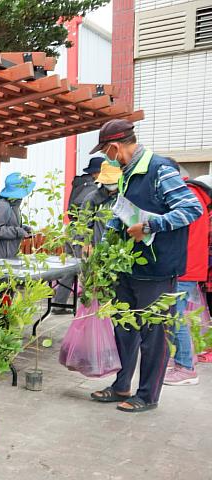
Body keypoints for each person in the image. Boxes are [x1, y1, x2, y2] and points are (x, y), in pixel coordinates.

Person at [89, 119, 202, 412]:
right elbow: (125, 212)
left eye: (105, 152)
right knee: (124, 328)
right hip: (129, 267)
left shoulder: (160, 169)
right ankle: (121, 385)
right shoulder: (128, 173)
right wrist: (102, 253)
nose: (106, 158)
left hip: (158, 269)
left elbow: (192, 208)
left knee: (153, 332)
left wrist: (150, 226)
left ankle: (147, 395)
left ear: (114, 147)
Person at [164, 171, 211, 386]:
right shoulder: (197, 198)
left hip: (184, 267)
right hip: (189, 266)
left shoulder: (187, 197)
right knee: (175, 314)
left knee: (176, 316)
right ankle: (181, 363)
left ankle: (185, 368)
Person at [53, 157, 107, 309]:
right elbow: (88, 217)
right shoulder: (91, 190)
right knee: (86, 272)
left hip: (71, 230)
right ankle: (88, 309)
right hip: (82, 235)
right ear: (98, 173)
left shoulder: (79, 185)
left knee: (70, 269)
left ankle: (59, 303)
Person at [0, 172, 35, 261]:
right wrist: (18, 231)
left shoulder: (13, 206)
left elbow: (8, 224)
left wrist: (24, 228)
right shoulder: (3, 206)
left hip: (8, 256)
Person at [83, 161, 122, 246]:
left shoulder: (126, 197)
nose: (111, 186)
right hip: (99, 248)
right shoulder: (92, 198)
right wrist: (86, 244)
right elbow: (84, 225)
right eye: (108, 182)